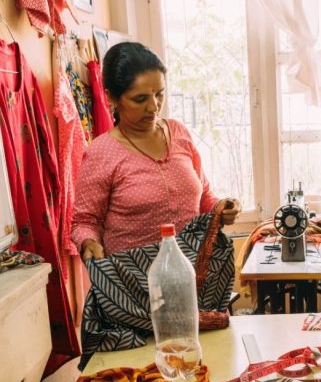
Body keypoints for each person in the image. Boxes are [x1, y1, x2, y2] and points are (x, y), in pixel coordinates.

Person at [72, 42, 239, 260]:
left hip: (194, 275)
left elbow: (204, 196)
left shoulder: (179, 133)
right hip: (134, 283)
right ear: (112, 98)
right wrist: (89, 242)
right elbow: (84, 221)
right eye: (140, 99)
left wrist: (222, 208)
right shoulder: (102, 152)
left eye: (159, 94)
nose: (154, 107)